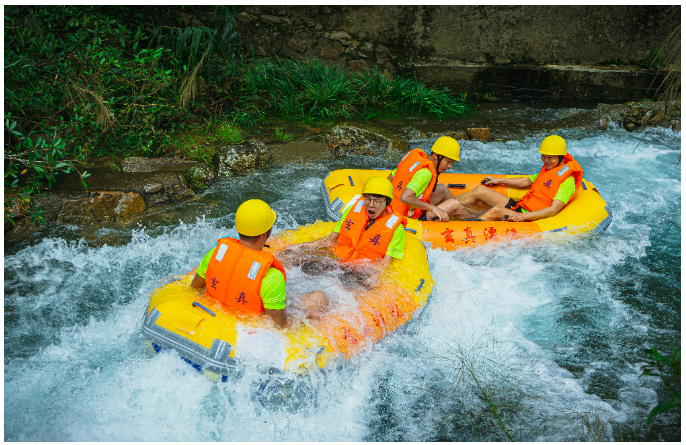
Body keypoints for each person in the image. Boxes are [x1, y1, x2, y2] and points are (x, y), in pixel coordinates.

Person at [190, 199, 328, 328]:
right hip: (248, 330)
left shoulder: (215, 253)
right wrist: (305, 314)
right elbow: (280, 325)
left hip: (213, 316)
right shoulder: (271, 276)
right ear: (267, 232)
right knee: (319, 297)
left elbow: (194, 288)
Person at [283, 177, 406, 276]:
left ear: (387, 202)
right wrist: (300, 247)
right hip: (335, 261)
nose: (371, 205)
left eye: (377, 201)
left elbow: (384, 264)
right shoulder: (352, 211)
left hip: (359, 272)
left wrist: (372, 279)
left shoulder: (396, 228)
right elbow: (330, 240)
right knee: (297, 263)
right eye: (368, 199)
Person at [457, 135, 583, 222]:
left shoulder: (567, 181)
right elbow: (527, 181)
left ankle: (467, 229)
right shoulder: (549, 169)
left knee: (496, 211)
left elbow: (553, 210)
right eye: (543, 156)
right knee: (480, 190)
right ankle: (448, 207)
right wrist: (499, 180)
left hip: (530, 217)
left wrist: (523, 216)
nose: (545, 160)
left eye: (550, 157)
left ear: (561, 157)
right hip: (520, 207)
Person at [387, 136, 474, 221]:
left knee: (442, 189)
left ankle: (466, 212)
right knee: (455, 205)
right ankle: (475, 222)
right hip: (408, 217)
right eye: (448, 161)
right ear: (435, 156)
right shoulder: (426, 173)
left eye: (452, 162)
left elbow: (388, 180)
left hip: (392, 208)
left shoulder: (414, 161)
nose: (450, 166)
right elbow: (405, 197)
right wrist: (432, 208)